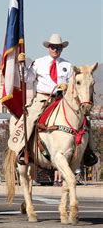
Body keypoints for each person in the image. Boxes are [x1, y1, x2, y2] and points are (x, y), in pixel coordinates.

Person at [9, 33, 98, 165]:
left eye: (58, 47)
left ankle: (88, 152)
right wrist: (21, 64)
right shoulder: (39, 62)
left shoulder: (68, 66)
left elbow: (74, 85)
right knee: (30, 119)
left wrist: (66, 86)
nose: (55, 50)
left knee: (85, 121)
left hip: (62, 99)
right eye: (53, 47)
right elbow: (26, 77)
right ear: (48, 47)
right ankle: (24, 150)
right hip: (42, 99)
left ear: (62, 48)